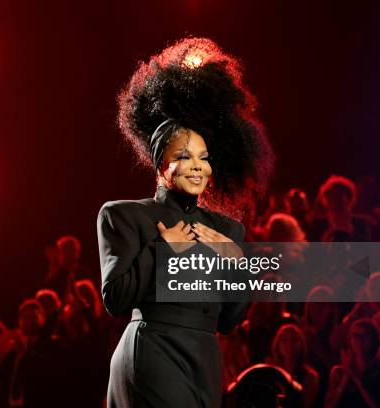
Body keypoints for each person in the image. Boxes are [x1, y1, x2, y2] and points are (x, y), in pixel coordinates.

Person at [97, 37, 273, 408]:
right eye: (184, 155)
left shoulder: (227, 231)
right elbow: (116, 299)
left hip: (205, 357)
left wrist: (238, 265)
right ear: (162, 165)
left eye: (204, 157)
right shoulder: (124, 214)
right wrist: (163, 251)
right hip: (152, 349)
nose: (197, 165)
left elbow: (229, 320)